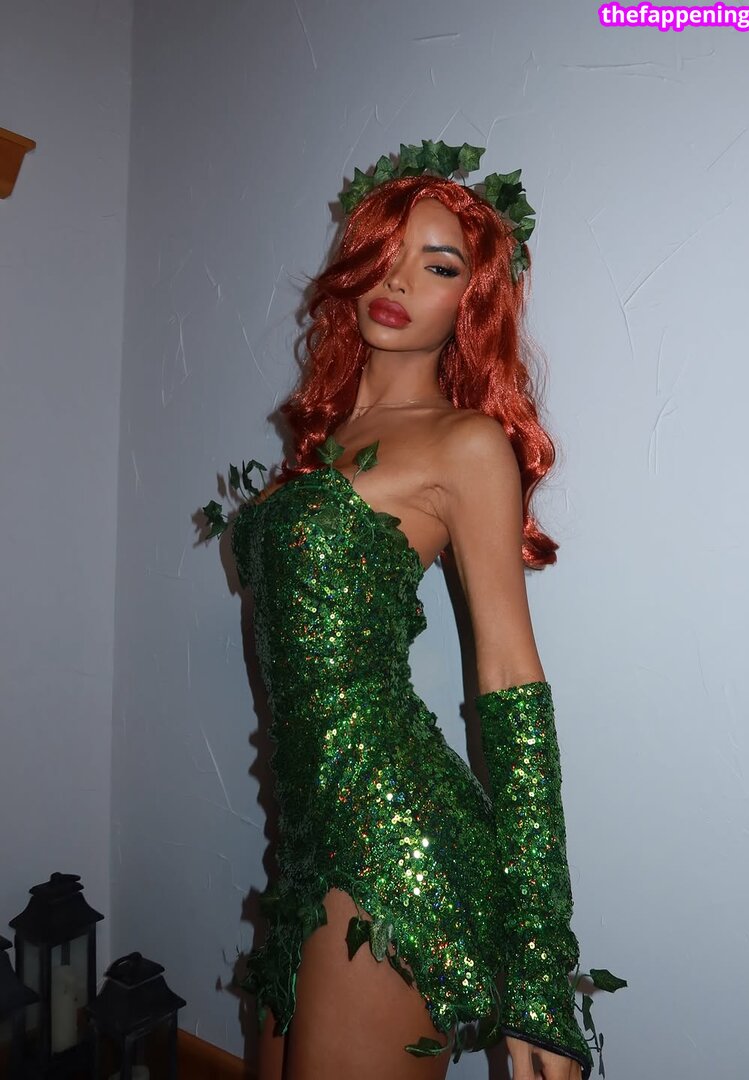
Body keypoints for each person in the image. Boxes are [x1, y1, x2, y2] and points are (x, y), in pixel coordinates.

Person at [206, 143, 594, 1080]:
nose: (400, 281)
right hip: (302, 838)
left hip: (395, 841)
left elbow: (508, 678)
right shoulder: (322, 443)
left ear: (473, 302)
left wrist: (539, 968)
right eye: (386, 253)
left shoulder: (465, 444)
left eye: (439, 265)